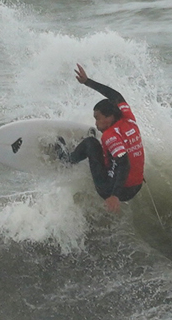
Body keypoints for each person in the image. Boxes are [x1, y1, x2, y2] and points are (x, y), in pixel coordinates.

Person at [61, 64, 144, 213]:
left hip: (113, 190)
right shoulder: (129, 118)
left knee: (90, 143)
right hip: (136, 186)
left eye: (98, 118)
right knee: (106, 149)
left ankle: (66, 160)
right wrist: (87, 81)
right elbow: (115, 95)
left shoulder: (110, 136)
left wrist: (114, 196)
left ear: (110, 117)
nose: (96, 122)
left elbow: (124, 163)